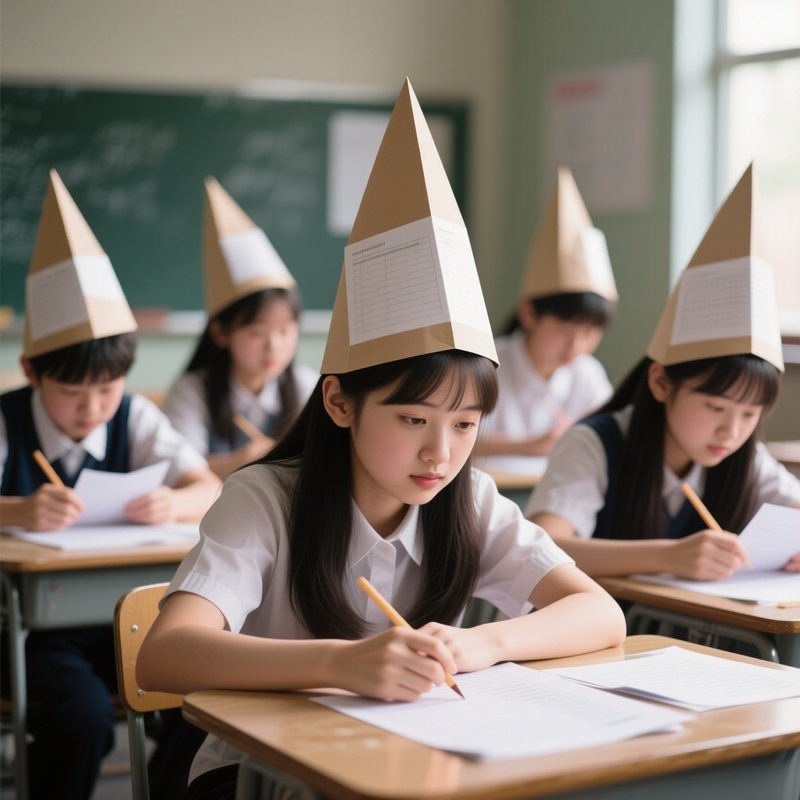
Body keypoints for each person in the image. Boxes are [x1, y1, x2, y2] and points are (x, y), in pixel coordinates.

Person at [136, 78, 626, 800]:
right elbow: (165, 656)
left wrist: (479, 643)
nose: (441, 454)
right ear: (338, 400)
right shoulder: (265, 498)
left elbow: (601, 612)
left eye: (465, 426)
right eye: (412, 420)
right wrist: (341, 664)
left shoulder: (470, 500)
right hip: (263, 773)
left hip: (413, 759)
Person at [0, 170, 221, 800]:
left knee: (201, 706)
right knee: (81, 718)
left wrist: (172, 500)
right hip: (39, 635)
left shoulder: (136, 415)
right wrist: (19, 508)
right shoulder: (7, 420)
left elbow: (206, 484)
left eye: (108, 388)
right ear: (31, 371)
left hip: (130, 621)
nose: (93, 407)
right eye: (73, 392)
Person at [526, 164, 800, 580]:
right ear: (660, 382)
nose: (731, 430)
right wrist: (669, 557)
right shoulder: (596, 444)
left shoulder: (744, 457)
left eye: (750, 415)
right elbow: (545, 545)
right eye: (714, 406)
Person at [162, 178, 318, 479]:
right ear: (221, 332)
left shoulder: (305, 386)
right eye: (257, 333)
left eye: (286, 331)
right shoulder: (192, 391)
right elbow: (176, 471)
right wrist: (240, 460)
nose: (274, 346)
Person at [480, 168, 617, 458]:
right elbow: (456, 438)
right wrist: (531, 446)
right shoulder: (487, 366)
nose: (576, 346)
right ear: (529, 314)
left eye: (590, 334)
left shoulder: (588, 376)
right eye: (565, 331)